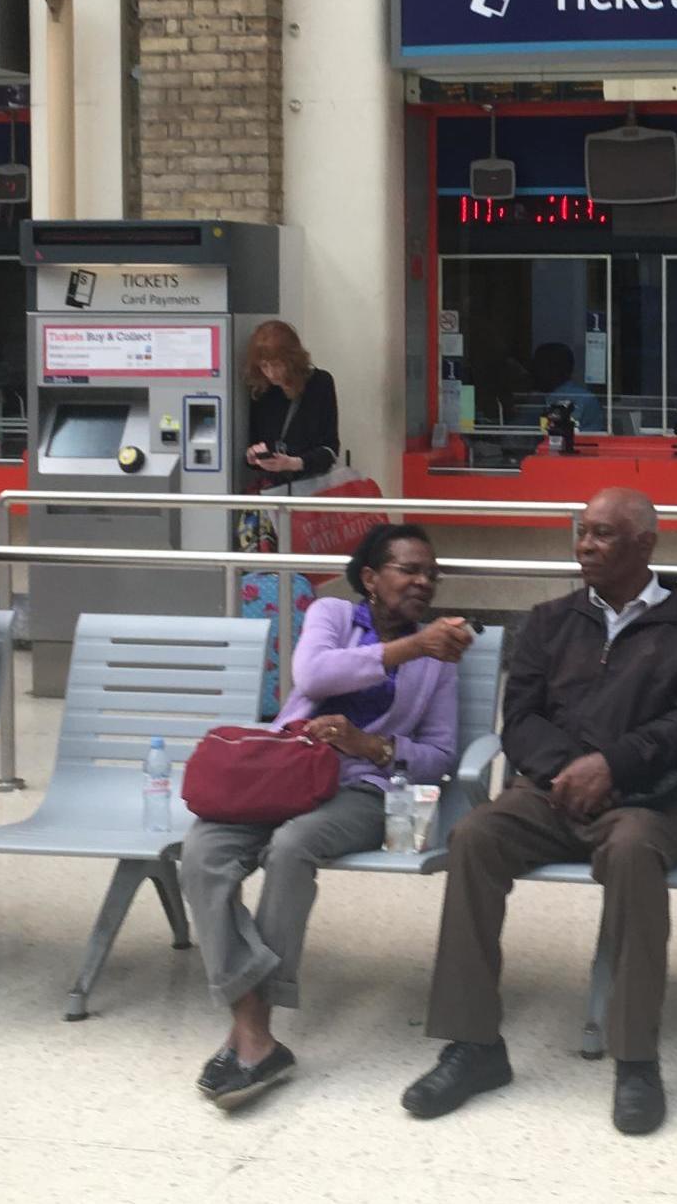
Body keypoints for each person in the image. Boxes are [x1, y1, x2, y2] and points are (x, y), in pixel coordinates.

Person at [402, 488, 677, 1136]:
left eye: (603, 535)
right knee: (473, 837)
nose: (585, 545)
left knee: (634, 854)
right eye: (581, 533)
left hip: (650, 798)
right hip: (550, 793)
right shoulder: (548, 621)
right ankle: (473, 1047)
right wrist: (566, 771)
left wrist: (613, 765)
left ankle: (635, 1059)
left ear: (645, 545)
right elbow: (519, 717)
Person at [182, 524, 470, 1108]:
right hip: (283, 772)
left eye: (431, 576)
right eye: (409, 571)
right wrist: (411, 647)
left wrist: (371, 746)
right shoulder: (334, 615)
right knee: (203, 855)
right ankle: (256, 1031)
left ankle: (250, 1030)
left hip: (363, 791)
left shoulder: (439, 661)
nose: (423, 583)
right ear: (369, 577)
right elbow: (312, 676)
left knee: (291, 849)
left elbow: (440, 755)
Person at [243, 320, 340, 493]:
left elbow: (330, 450)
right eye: (264, 366)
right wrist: (254, 455)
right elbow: (255, 443)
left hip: (311, 489)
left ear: (292, 360)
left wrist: (294, 463)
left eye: (277, 365)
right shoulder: (261, 390)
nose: (271, 373)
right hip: (274, 490)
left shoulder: (319, 383)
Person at [528, 341, 605, 433]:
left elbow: (594, 439)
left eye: (543, 366)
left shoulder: (584, 399)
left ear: (560, 368)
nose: (535, 372)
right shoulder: (533, 400)